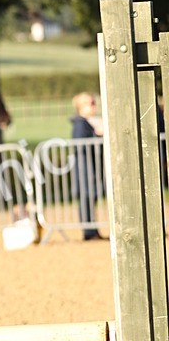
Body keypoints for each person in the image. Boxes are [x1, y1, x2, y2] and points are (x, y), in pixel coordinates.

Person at [71, 92, 104, 240]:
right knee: (86, 198)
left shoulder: (87, 122)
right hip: (85, 169)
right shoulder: (80, 124)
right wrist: (97, 135)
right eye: (90, 103)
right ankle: (89, 232)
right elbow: (81, 144)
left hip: (90, 168)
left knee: (91, 198)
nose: (94, 106)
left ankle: (93, 231)